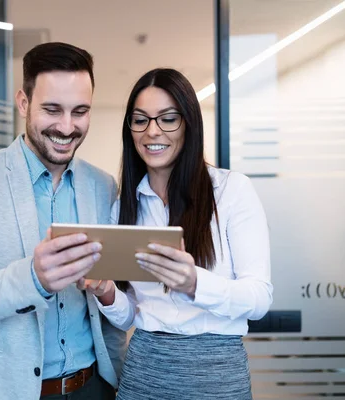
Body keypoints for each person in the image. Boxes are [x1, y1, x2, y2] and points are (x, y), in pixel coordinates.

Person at [0, 42, 126, 400]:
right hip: (4, 391)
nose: (67, 127)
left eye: (80, 111)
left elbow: (112, 297)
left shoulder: (103, 186)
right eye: (52, 110)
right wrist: (32, 278)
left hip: (92, 387)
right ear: (23, 103)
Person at [80, 68, 273, 399]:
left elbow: (259, 299)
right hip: (144, 370)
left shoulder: (231, 191)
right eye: (140, 120)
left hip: (217, 374)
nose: (152, 131)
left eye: (167, 119)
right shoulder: (124, 207)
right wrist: (106, 292)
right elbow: (131, 315)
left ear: (188, 124)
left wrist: (194, 283)